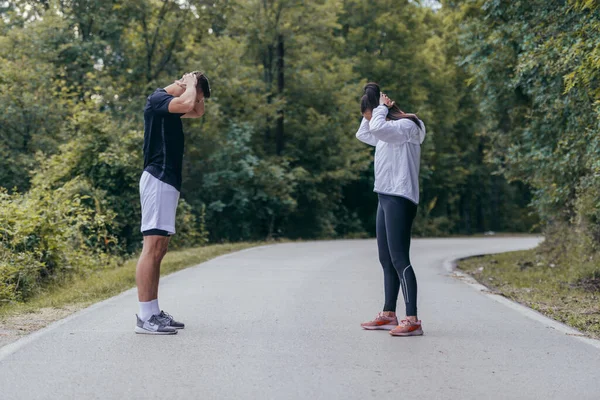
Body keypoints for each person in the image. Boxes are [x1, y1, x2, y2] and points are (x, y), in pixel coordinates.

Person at [134, 71, 211, 335]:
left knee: (160, 248)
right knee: (152, 246)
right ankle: (145, 317)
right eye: (195, 93)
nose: (196, 100)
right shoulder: (158, 99)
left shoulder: (171, 107)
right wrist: (189, 84)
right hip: (157, 178)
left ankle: (154, 312)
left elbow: (197, 111)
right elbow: (189, 103)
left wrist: (194, 90)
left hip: (167, 181)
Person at [356, 83, 426, 337]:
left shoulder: (407, 126)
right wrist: (373, 107)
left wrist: (381, 109)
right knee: (385, 259)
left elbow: (376, 126)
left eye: (371, 114)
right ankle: (388, 314)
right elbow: (364, 134)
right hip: (384, 195)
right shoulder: (384, 130)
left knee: (399, 259)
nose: (370, 120)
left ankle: (412, 318)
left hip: (401, 196)